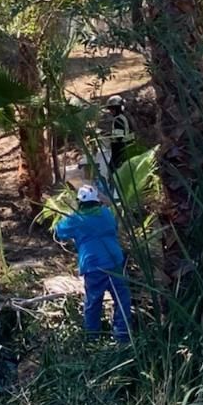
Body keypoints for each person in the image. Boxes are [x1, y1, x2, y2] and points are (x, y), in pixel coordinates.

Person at [54, 184, 132, 343]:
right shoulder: (106, 213)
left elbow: (59, 231)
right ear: (97, 201)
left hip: (93, 264)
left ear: (80, 202)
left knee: (94, 301)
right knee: (122, 298)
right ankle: (122, 336)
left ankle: (92, 339)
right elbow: (115, 227)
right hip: (114, 260)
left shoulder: (76, 219)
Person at [104, 95, 135, 174]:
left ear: (118, 108)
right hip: (129, 145)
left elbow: (119, 138)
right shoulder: (125, 117)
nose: (111, 111)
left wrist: (107, 137)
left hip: (121, 147)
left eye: (112, 109)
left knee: (113, 170)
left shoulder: (119, 119)